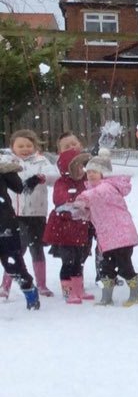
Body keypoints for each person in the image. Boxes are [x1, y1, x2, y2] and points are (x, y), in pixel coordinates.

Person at [71, 151, 138, 307]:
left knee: (124, 267)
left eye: (95, 172)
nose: (90, 175)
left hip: (121, 235)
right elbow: (91, 211)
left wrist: (82, 198)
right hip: (107, 237)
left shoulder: (108, 186)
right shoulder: (91, 190)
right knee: (106, 268)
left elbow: (97, 195)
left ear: (104, 173)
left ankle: (137, 294)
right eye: (88, 172)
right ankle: (106, 297)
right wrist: (79, 210)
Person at [2, 130, 57, 299]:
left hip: (35, 213)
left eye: (28, 145)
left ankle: (41, 285)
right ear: (12, 147)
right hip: (12, 214)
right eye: (20, 146)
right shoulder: (6, 162)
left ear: (35, 146)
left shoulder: (41, 161)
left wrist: (40, 177)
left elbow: (55, 176)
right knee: (14, 251)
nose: (25, 149)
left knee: (37, 249)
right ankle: (5, 286)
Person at [43, 149, 95, 304]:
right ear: (68, 168)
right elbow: (61, 199)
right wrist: (74, 200)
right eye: (77, 167)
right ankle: (68, 292)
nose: (81, 170)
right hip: (64, 230)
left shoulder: (85, 181)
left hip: (80, 228)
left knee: (79, 259)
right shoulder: (62, 183)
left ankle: (79, 290)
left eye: (82, 167)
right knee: (68, 261)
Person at [0, 160, 39, 309]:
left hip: (5, 225)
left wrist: (8, 169)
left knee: (13, 265)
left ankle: (30, 292)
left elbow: (19, 188)